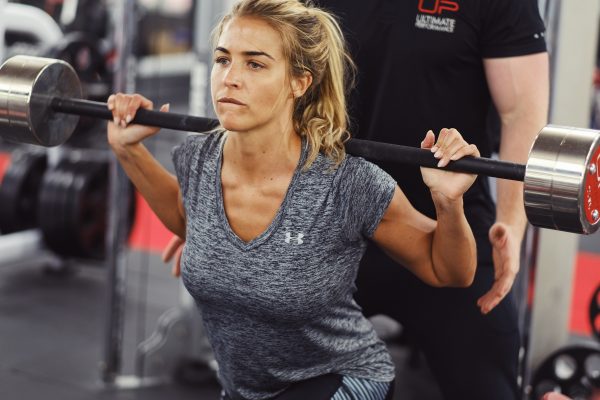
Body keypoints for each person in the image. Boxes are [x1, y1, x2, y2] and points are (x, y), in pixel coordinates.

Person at [107, 0, 482, 399]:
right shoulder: (197, 158)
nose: (230, 78)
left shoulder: (347, 183)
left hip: (341, 375)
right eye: (223, 59)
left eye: (255, 64)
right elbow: (189, 218)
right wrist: (129, 151)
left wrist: (447, 201)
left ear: (299, 82)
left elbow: (449, 271)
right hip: (245, 389)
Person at [307, 1, 549, 399]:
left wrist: (510, 224)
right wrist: (227, 204)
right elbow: (273, 85)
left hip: (450, 229)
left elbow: (520, 113)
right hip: (329, 225)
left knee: (488, 389)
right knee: (275, 380)